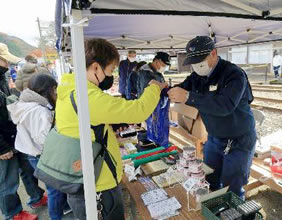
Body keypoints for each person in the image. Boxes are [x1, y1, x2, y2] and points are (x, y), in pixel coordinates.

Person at [55, 38, 167, 219]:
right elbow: (139, 111)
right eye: (109, 71)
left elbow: (86, 124)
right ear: (95, 67)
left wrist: (110, 122)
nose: (110, 76)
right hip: (97, 185)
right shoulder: (87, 96)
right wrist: (154, 87)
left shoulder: (69, 87)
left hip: (80, 176)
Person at [168, 36, 256, 199]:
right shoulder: (197, 75)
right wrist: (164, 89)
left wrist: (188, 97)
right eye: (193, 62)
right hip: (215, 138)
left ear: (214, 53)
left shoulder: (234, 74)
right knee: (209, 179)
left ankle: (234, 212)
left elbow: (225, 105)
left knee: (233, 187)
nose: (196, 66)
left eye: (200, 60)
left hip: (239, 140)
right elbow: (181, 88)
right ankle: (213, 208)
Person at [8, 73, 67, 220]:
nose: (56, 94)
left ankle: (62, 208)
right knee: (54, 189)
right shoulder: (40, 111)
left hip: (31, 153)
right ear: (47, 90)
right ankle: (56, 216)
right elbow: (44, 138)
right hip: (41, 153)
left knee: (53, 188)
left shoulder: (27, 104)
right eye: (54, 90)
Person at [0, 43, 42, 220]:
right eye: (5, 61)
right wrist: (1, 148)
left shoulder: (2, 79)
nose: (7, 65)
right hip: (3, 141)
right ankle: (13, 213)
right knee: (8, 180)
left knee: (27, 168)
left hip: (13, 134)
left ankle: (37, 197)